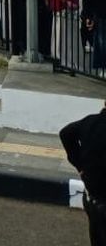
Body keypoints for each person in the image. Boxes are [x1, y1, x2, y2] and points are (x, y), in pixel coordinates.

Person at [61, 104, 106, 245]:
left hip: (93, 199)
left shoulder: (90, 122)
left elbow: (65, 133)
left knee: (97, 236)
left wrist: (79, 164)